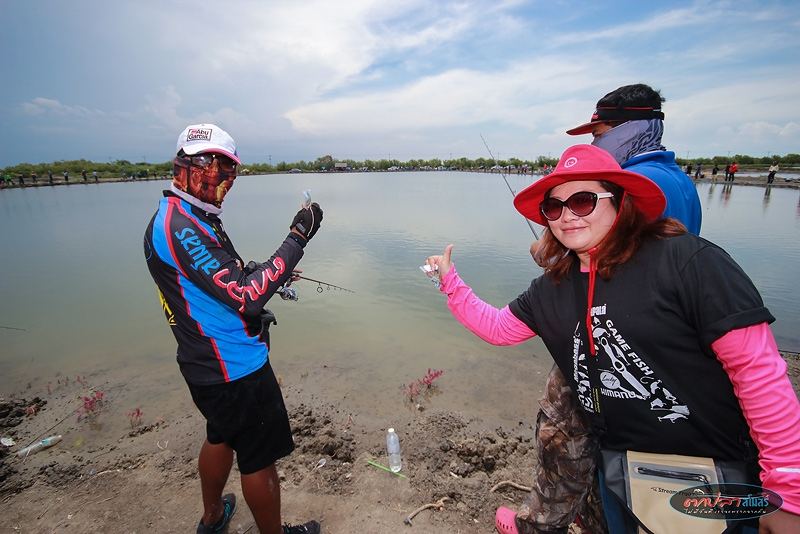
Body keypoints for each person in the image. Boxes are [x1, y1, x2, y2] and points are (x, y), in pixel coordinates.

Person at [426, 144, 800, 534]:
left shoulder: (689, 263)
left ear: (621, 200)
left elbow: (758, 374)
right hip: (621, 468)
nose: (567, 216)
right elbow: (499, 327)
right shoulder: (551, 288)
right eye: (553, 208)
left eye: (583, 201)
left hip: (717, 472)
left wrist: (787, 491)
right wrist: (450, 282)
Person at [143, 123, 323, 534]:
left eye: (226, 168)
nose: (216, 175)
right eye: (206, 164)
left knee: (220, 435)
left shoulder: (184, 214)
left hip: (202, 364)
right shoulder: (181, 227)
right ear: (183, 164)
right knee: (259, 459)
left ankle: (211, 517)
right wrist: (298, 236)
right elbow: (245, 296)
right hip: (234, 370)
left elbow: (218, 281)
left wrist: (269, 272)